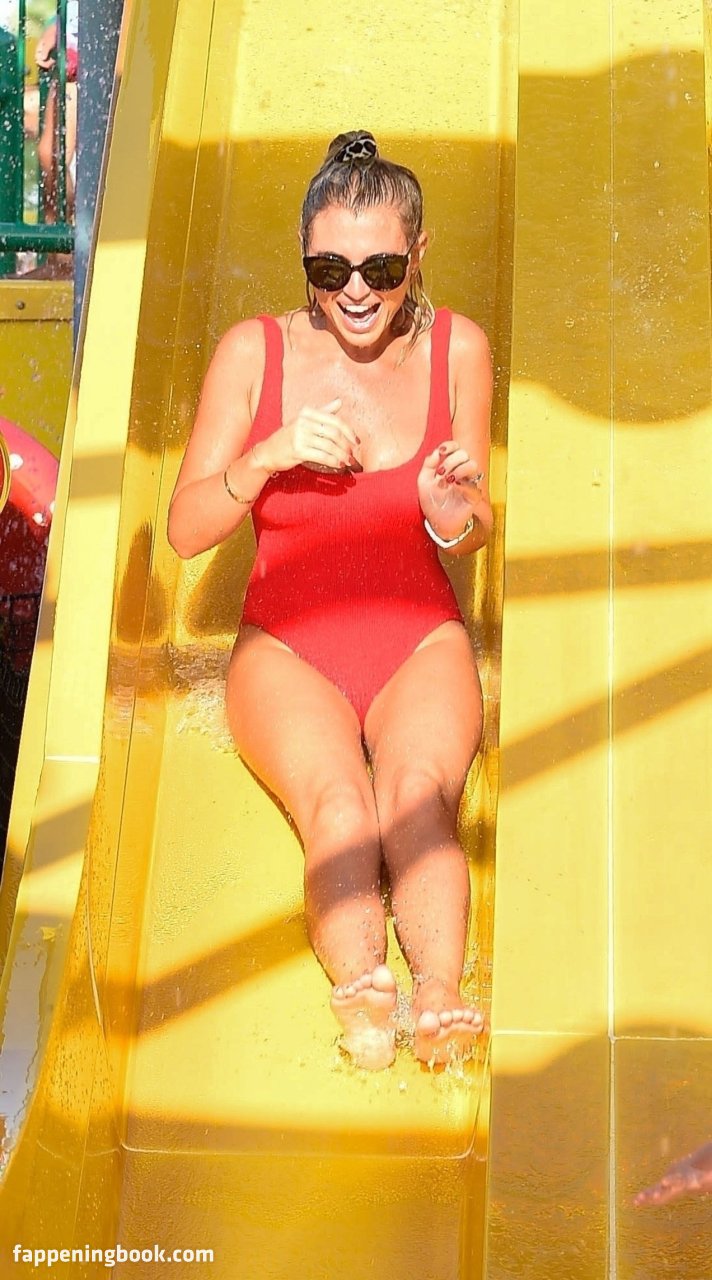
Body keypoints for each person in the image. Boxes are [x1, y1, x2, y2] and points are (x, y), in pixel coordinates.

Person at [168, 130, 494, 1071]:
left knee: (418, 799)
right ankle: (364, 989)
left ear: (418, 254)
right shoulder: (254, 352)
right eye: (329, 269)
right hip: (288, 645)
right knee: (341, 809)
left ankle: (439, 992)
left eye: (381, 268)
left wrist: (448, 511)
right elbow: (186, 529)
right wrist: (268, 456)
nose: (355, 291)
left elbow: (477, 524)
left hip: (416, 637)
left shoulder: (456, 349)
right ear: (305, 260)